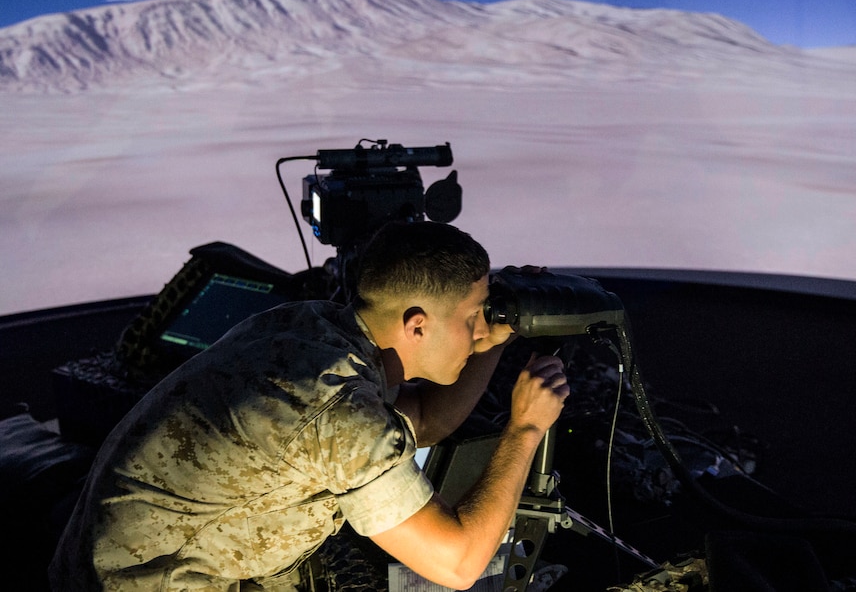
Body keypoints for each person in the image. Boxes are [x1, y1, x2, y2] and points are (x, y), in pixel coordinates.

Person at [50, 221, 570, 591]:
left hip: (117, 565)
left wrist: (497, 338)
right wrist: (524, 429)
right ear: (417, 325)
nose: (478, 330)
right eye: (474, 317)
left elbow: (426, 420)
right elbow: (457, 565)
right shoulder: (338, 413)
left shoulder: (313, 326)